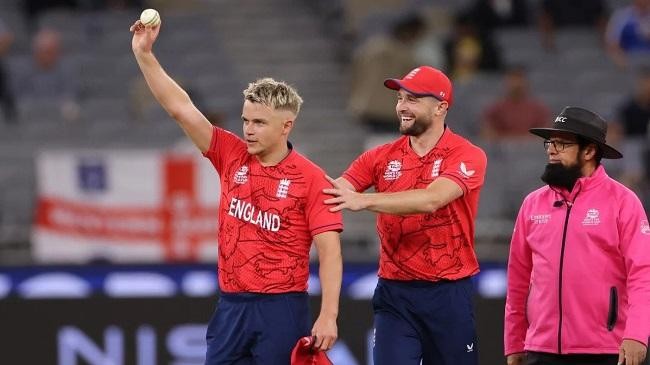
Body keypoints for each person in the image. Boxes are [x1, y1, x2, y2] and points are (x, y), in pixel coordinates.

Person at [129, 17, 343, 364]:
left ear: (286, 125)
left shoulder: (311, 178)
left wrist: (329, 314)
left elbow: (330, 252)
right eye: (245, 120)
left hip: (282, 307)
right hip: (231, 305)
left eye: (259, 122)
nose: (249, 130)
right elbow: (181, 109)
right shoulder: (231, 155)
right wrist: (144, 54)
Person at [324, 65, 487, 365]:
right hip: (394, 293)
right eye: (400, 98)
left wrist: (363, 200)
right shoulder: (380, 156)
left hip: (448, 293)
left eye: (412, 99)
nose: (401, 107)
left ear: (440, 107)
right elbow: (332, 193)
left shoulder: (467, 154)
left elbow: (432, 199)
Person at [504, 106, 650, 365]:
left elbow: (643, 273)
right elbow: (518, 279)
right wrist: (514, 340)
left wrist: (637, 335)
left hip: (606, 350)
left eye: (562, 144)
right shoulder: (532, 204)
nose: (551, 149)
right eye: (550, 143)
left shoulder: (623, 202)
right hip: (540, 349)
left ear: (590, 151)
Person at [480, 65, 550, 141]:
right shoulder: (495, 108)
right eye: (513, 79)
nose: (516, 84)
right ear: (506, 82)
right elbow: (487, 133)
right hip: (502, 150)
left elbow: (546, 134)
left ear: (526, 82)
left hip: (532, 150)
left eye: (519, 79)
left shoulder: (538, 109)